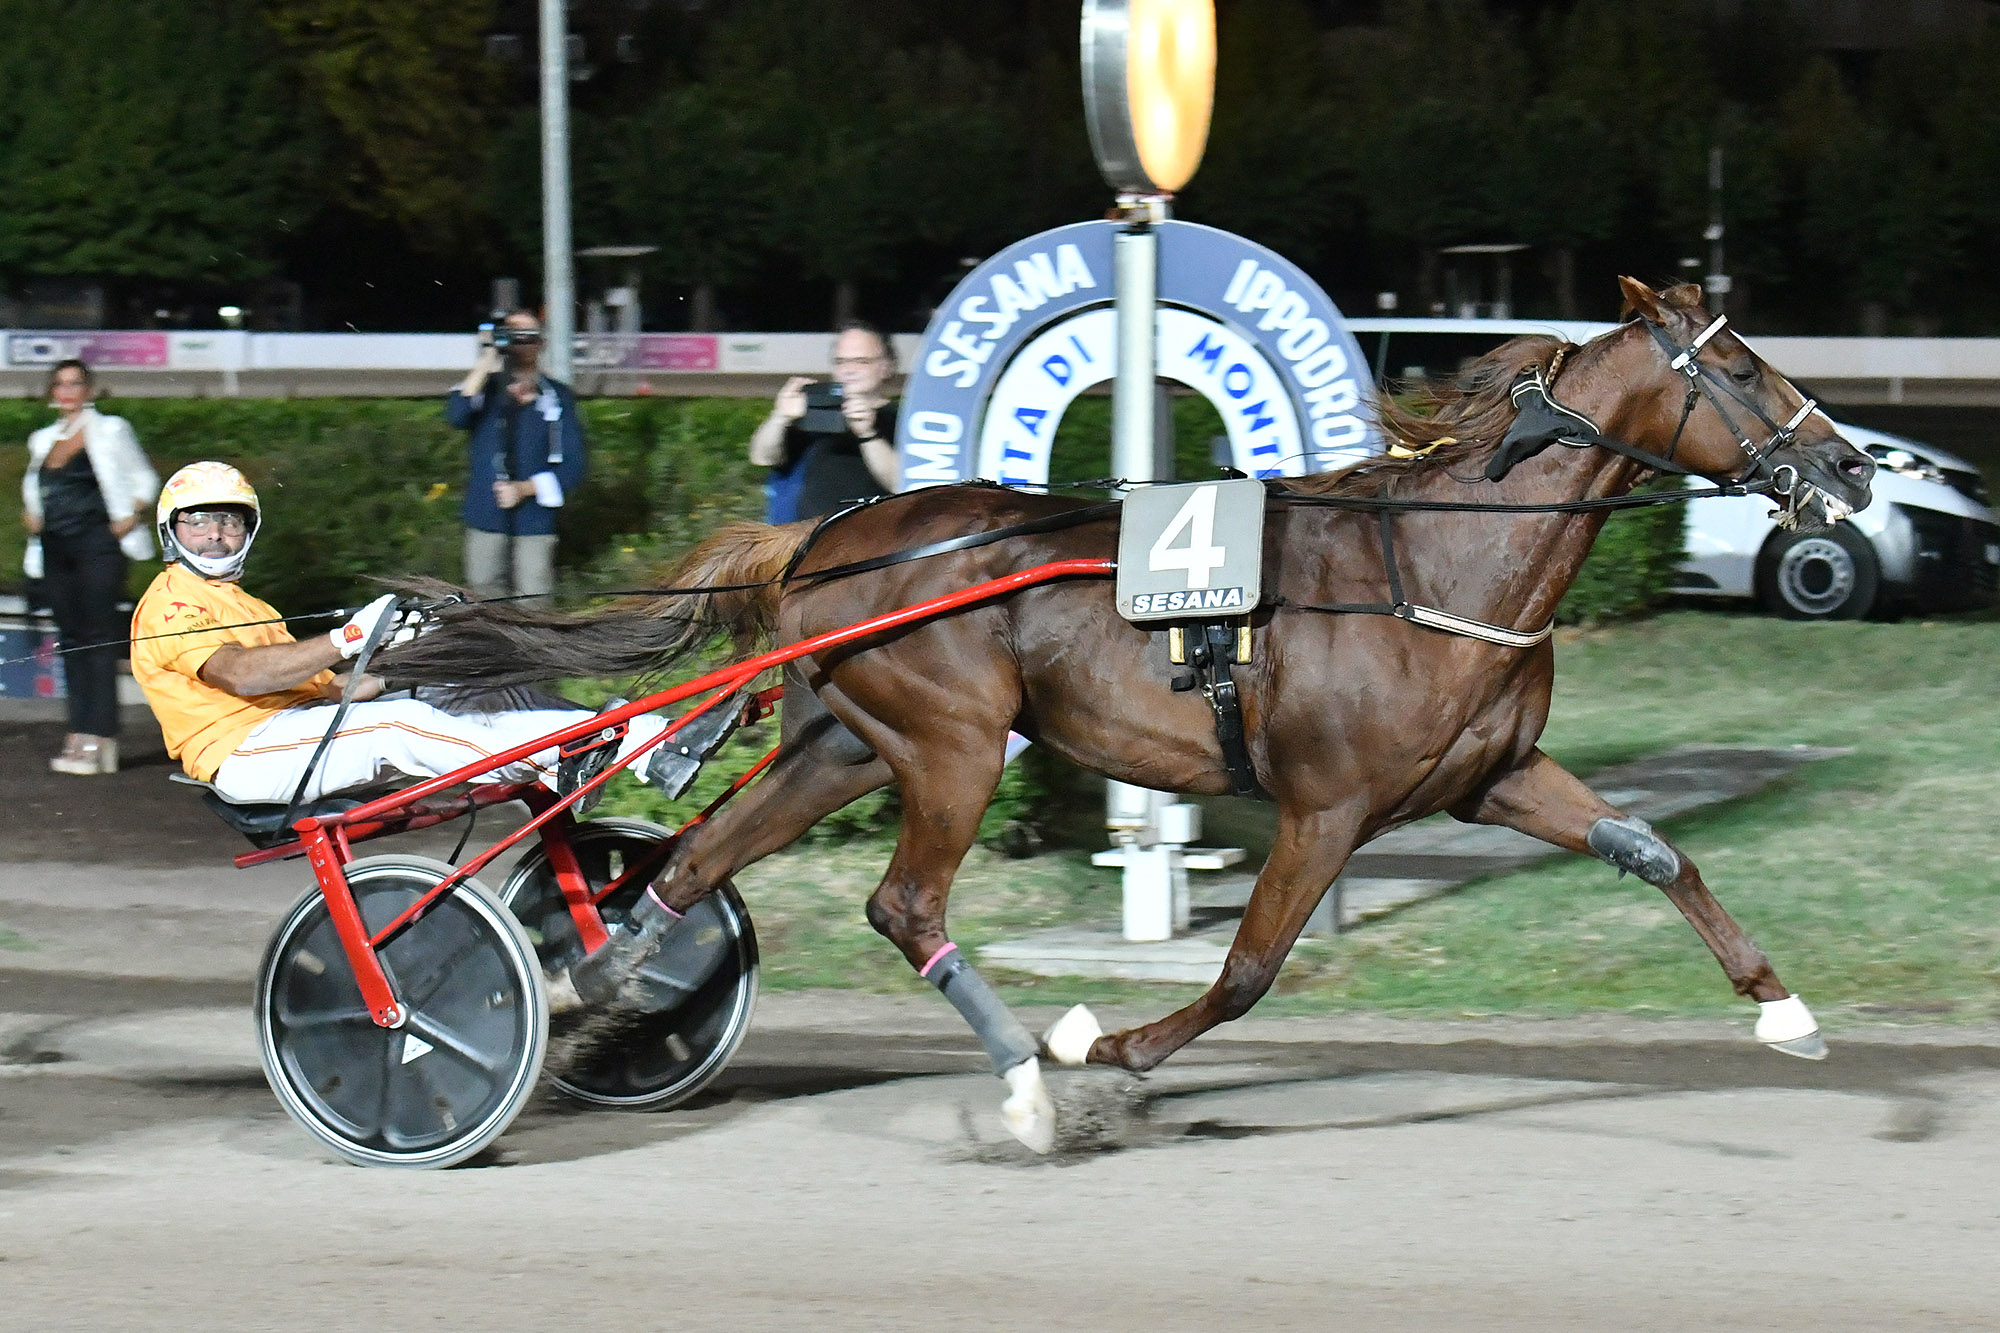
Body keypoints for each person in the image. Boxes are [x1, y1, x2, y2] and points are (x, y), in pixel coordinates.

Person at [130, 461, 665, 806]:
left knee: (461, 687)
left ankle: (624, 734)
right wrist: (348, 638)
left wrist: (400, 656)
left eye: (230, 521)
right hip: (243, 753)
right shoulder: (172, 602)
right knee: (397, 725)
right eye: (199, 521)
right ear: (172, 532)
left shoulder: (251, 606)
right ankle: (569, 754)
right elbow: (240, 676)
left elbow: (335, 691)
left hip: (294, 730)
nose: (217, 535)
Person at [21, 359, 160, 775]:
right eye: (60, 384)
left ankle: (101, 735)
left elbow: (145, 480)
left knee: (97, 637)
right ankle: (78, 729)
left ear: (88, 389)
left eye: (75, 383)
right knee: (70, 637)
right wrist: (32, 515)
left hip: (98, 543)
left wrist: (129, 516)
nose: (67, 391)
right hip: (55, 548)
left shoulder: (110, 429)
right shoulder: (42, 439)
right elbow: (37, 488)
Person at [445, 309, 585, 601]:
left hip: (533, 519)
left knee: (533, 598)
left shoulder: (557, 396)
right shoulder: (485, 390)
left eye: (529, 337)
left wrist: (525, 489)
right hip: (486, 514)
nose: (521, 343)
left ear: (541, 344)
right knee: (484, 599)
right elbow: (456, 415)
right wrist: (487, 360)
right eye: (513, 336)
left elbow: (575, 465)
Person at [748, 321, 901, 521]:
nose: (849, 370)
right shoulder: (814, 411)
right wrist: (780, 417)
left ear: (886, 367)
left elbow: (902, 483)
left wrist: (868, 435)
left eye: (861, 361)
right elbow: (762, 457)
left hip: (873, 541)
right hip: (810, 541)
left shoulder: (902, 419)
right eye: (841, 361)